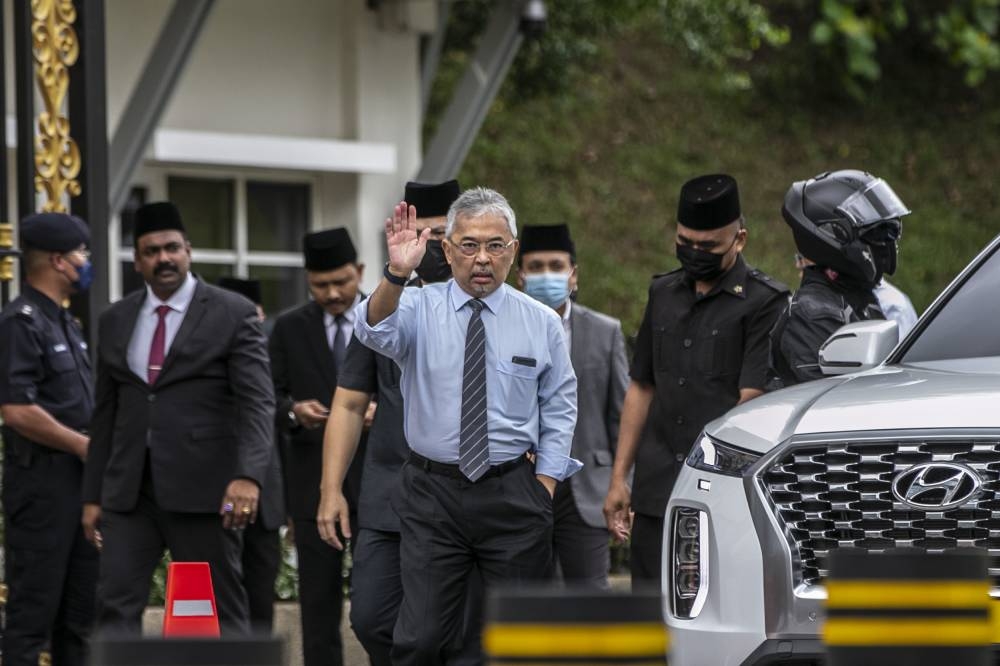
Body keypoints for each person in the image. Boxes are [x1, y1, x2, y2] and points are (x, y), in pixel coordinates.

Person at [354, 187, 580, 665]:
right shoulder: (417, 306)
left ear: (512, 251)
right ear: (448, 248)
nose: (482, 258)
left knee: (516, 641)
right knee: (419, 637)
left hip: (513, 493)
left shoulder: (540, 322)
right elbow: (371, 329)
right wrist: (397, 272)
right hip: (433, 494)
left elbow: (560, 406)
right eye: (470, 244)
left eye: (495, 245)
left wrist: (545, 485)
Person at [81, 201, 275, 636]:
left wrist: (248, 476)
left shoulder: (233, 312)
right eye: (151, 251)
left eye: (171, 248)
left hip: (207, 490)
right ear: (137, 262)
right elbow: (106, 413)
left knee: (223, 610)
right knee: (113, 606)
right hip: (131, 494)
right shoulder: (115, 319)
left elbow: (257, 403)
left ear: (188, 250)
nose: (163, 258)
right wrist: (93, 494)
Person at [316, 180, 483, 665]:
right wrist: (331, 489)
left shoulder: (489, 303)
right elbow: (348, 403)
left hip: (466, 498)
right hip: (390, 495)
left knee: (460, 632)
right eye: (421, 232)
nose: (429, 244)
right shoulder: (382, 306)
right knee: (371, 617)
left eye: (439, 233)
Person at [603, 174, 788, 586]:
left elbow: (751, 400)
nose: (695, 253)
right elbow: (642, 386)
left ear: (739, 239)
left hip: (720, 494)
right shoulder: (662, 292)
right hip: (655, 491)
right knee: (648, 614)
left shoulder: (765, 302)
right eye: (686, 242)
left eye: (708, 247)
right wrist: (620, 478)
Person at [0, 213, 98, 665]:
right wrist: (81, 444)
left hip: (80, 490)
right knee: (31, 619)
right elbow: (17, 409)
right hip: (42, 490)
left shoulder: (66, 324)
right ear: (59, 261)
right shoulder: (20, 322)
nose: (87, 262)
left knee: (79, 619)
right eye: (83, 254)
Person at [269, 228, 365, 666]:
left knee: (380, 600)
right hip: (312, 487)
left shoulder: (384, 316)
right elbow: (267, 397)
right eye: (320, 285)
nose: (332, 293)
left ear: (359, 273)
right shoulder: (288, 328)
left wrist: (382, 407)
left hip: (377, 482)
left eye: (341, 282)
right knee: (318, 602)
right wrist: (293, 412)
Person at [517, 224, 628, 587]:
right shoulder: (504, 328)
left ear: (573, 274)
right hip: (523, 484)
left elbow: (621, 415)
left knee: (590, 599)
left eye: (555, 265)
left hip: (587, 486)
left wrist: (623, 483)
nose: (546, 275)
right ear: (520, 276)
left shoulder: (605, 332)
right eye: (535, 267)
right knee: (530, 599)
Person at [769, 169, 911, 387]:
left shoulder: (856, 298)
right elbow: (842, 398)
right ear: (835, 235)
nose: (887, 242)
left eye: (891, 232)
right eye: (877, 233)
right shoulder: (814, 313)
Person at [217, 276, 286, 634]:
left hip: (267, 501)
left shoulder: (272, 352)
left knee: (260, 606)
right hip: (216, 496)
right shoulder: (204, 355)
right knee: (222, 604)